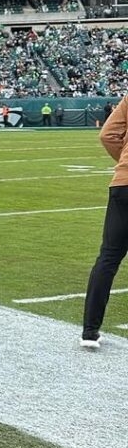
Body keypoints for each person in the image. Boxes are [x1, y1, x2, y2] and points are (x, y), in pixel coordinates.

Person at [82, 94, 128, 348]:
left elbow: (107, 134)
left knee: (108, 258)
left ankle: (90, 331)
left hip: (123, 184)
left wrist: (124, 159)